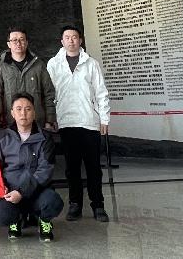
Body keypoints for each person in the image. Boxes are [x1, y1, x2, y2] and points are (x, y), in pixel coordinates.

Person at [47, 25, 110, 223]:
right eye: (67, 37)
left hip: (89, 122)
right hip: (66, 123)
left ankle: (98, 205)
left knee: (93, 167)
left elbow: (101, 92)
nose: (71, 40)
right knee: (72, 167)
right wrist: (52, 117)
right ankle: (75, 204)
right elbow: (49, 93)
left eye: (74, 37)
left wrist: (104, 118)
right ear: (62, 41)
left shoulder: (91, 63)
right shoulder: (53, 64)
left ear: (80, 40)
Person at [0, 93, 64, 242]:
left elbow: (45, 171)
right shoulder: (2, 138)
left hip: (38, 191)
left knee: (53, 202)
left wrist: (21, 192)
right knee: (2, 215)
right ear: (12, 113)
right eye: (18, 109)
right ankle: (16, 221)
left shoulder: (45, 138)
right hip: (12, 191)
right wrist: (2, 186)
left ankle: (44, 221)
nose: (23, 113)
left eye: (28, 109)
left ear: (34, 112)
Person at [0, 28, 57, 131]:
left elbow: (49, 93)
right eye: (14, 40)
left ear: (26, 43)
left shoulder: (38, 65)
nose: (18, 43)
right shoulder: (0, 67)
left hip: (37, 122)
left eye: (22, 39)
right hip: (10, 122)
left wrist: (50, 119)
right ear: (9, 44)